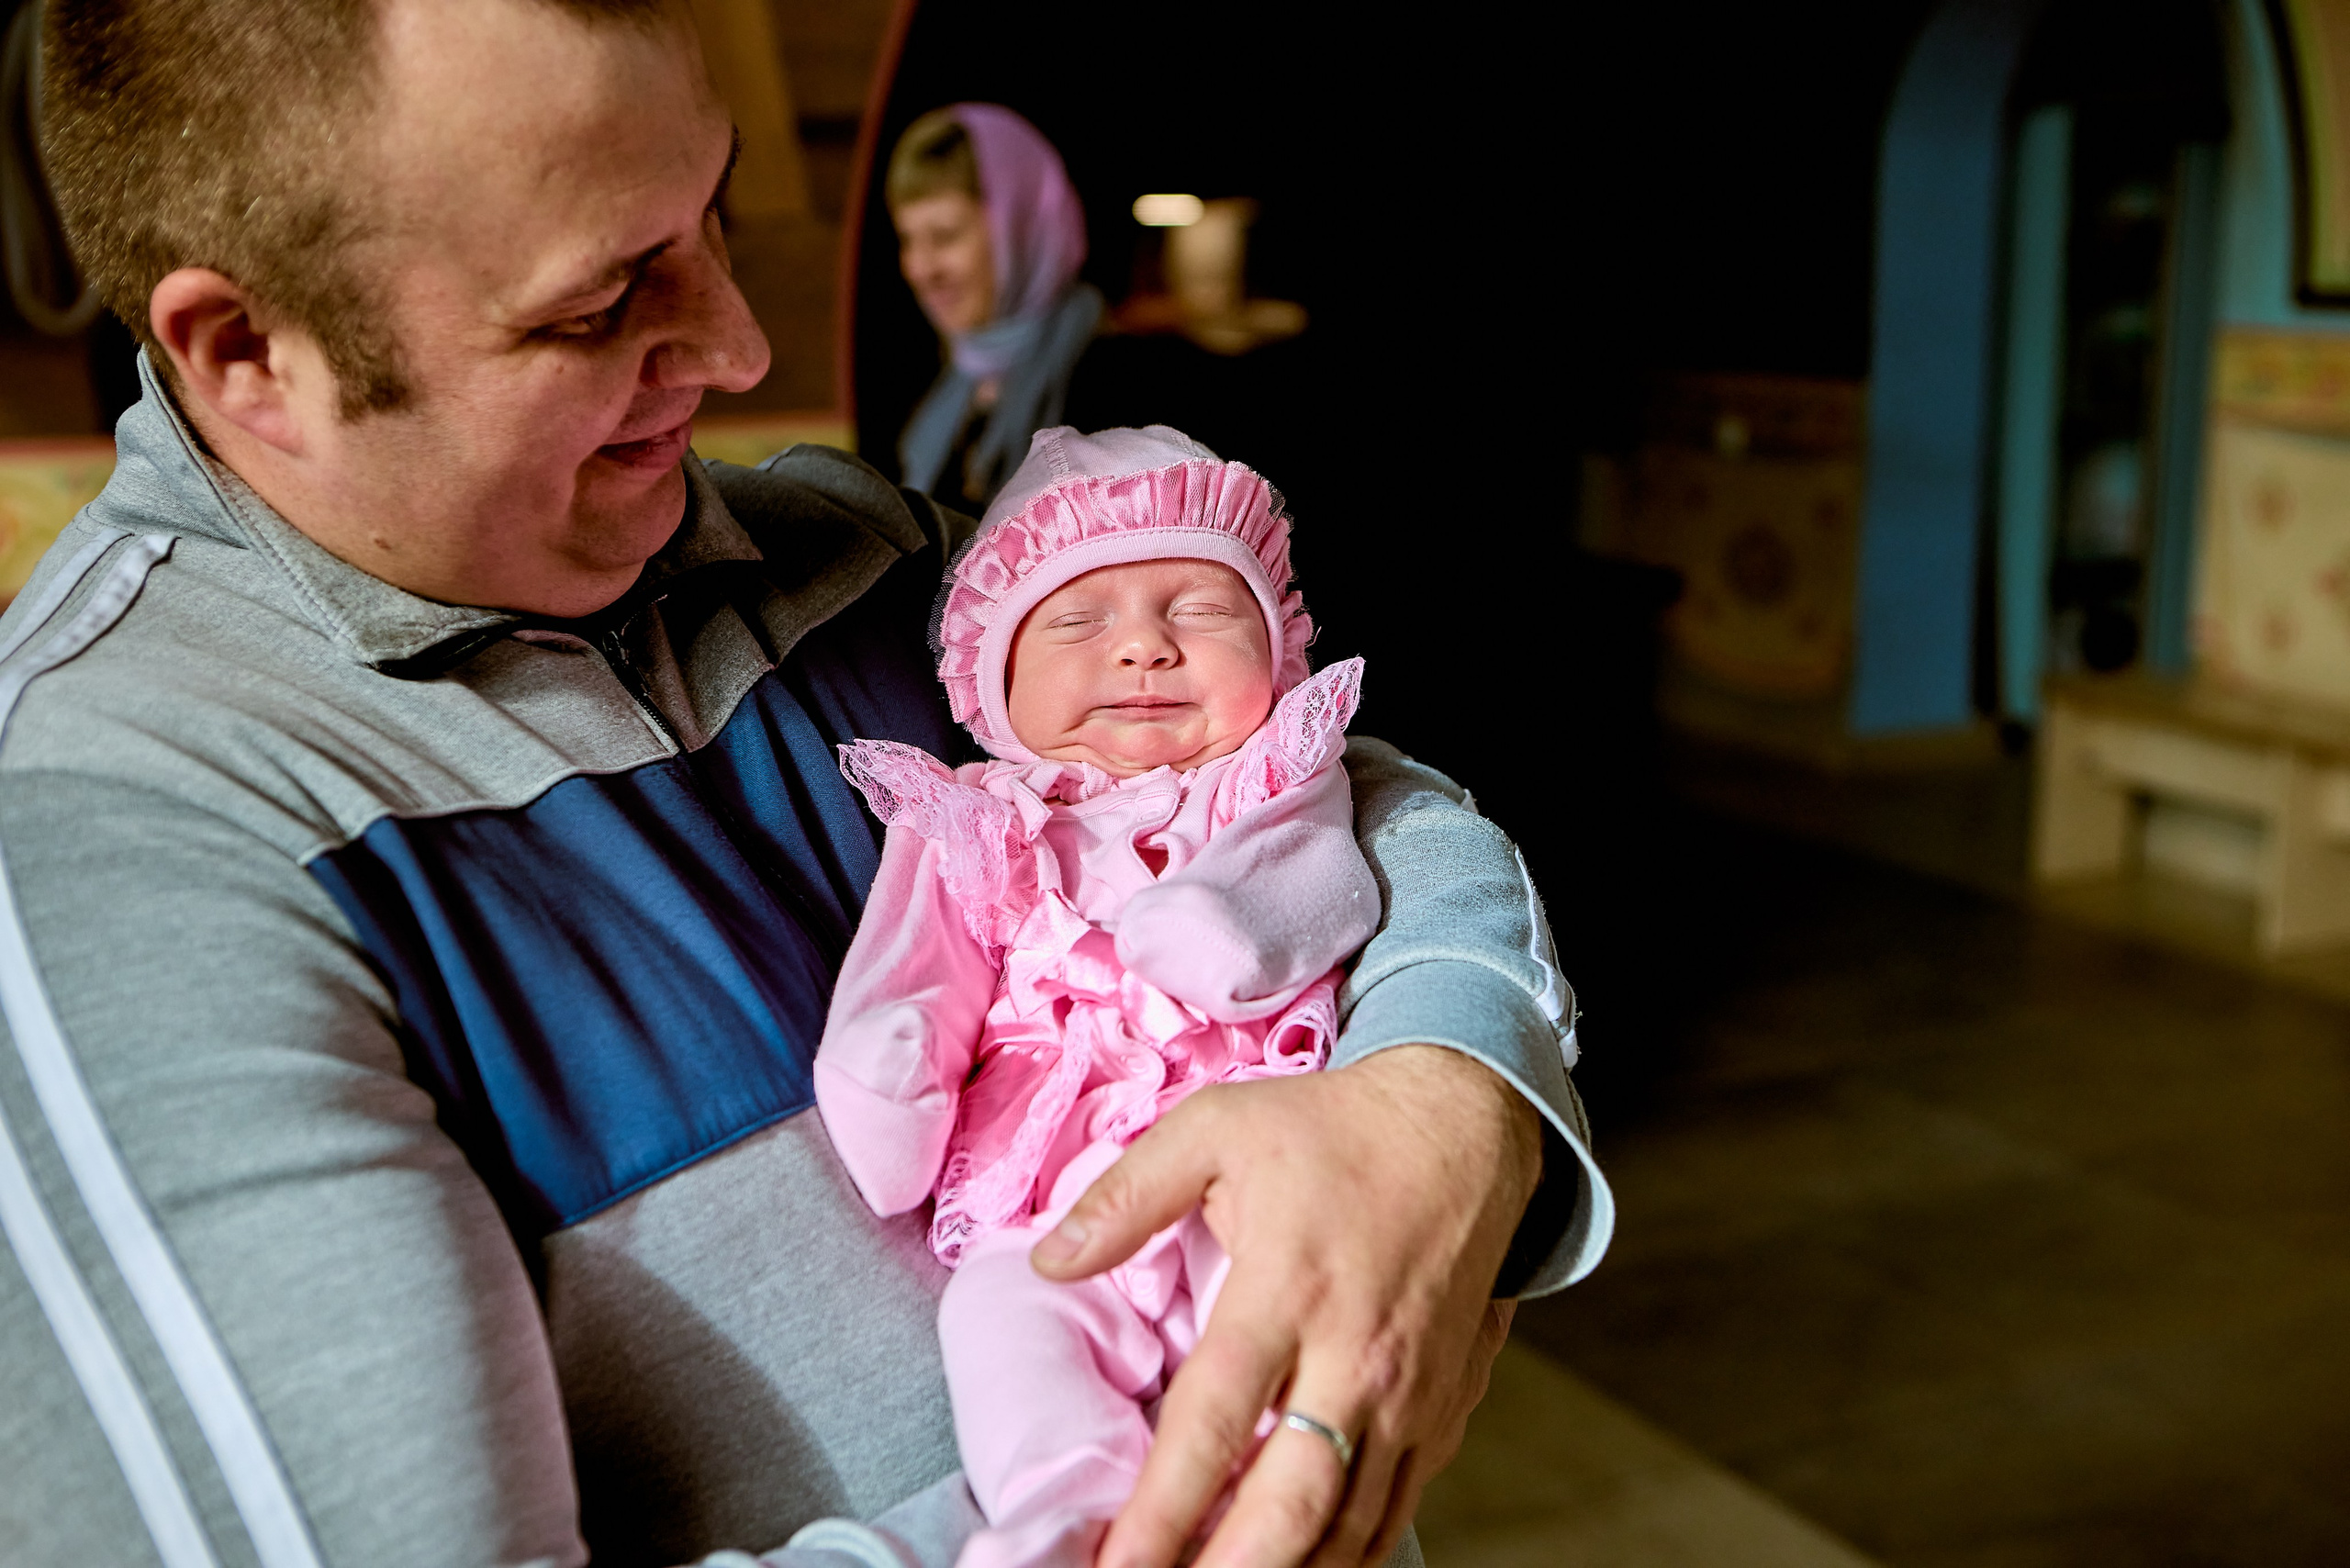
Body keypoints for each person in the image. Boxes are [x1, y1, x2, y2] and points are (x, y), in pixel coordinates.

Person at [0, 3, 1609, 1566]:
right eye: (605, 296)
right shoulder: (108, 839)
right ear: (249, 351)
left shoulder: (863, 555)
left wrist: (1444, 1100)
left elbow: (1348, 789)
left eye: (710, 216)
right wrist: (1194, 1471)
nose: (739, 344)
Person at [809, 426, 1609, 1568]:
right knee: (999, 1320)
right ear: (987, 680)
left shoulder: (1276, 783)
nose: (1141, 648)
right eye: (1079, 620)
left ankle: (1268, 1514)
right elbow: (913, 962)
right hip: (1051, 1195)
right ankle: (1061, 1513)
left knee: (1284, 1343)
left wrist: (1222, 925)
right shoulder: (974, 823)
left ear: (1278, 648)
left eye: (1197, 610)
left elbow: (1321, 884)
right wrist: (890, 1059)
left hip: (1262, 1163)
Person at [890, 105, 1102, 514]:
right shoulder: (946, 389)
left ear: (1021, 229)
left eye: (945, 235)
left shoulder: (1106, 381)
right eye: (907, 239)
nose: (921, 268)